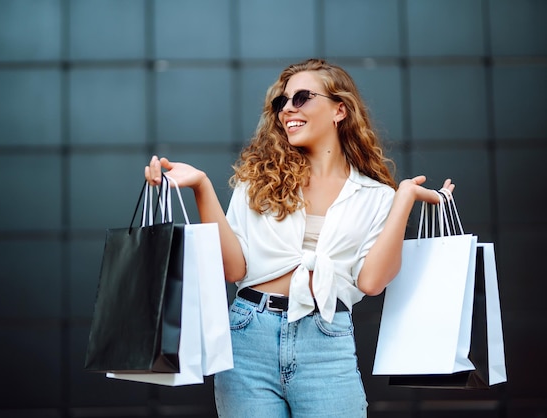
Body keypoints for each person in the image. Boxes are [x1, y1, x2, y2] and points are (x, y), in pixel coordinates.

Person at [145, 58, 454, 418]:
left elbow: (371, 282)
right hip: (248, 336)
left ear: (340, 109)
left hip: (325, 339)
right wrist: (201, 187)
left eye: (302, 97)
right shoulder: (258, 180)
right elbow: (233, 269)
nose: (288, 109)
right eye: (282, 102)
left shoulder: (376, 196)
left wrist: (403, 199)